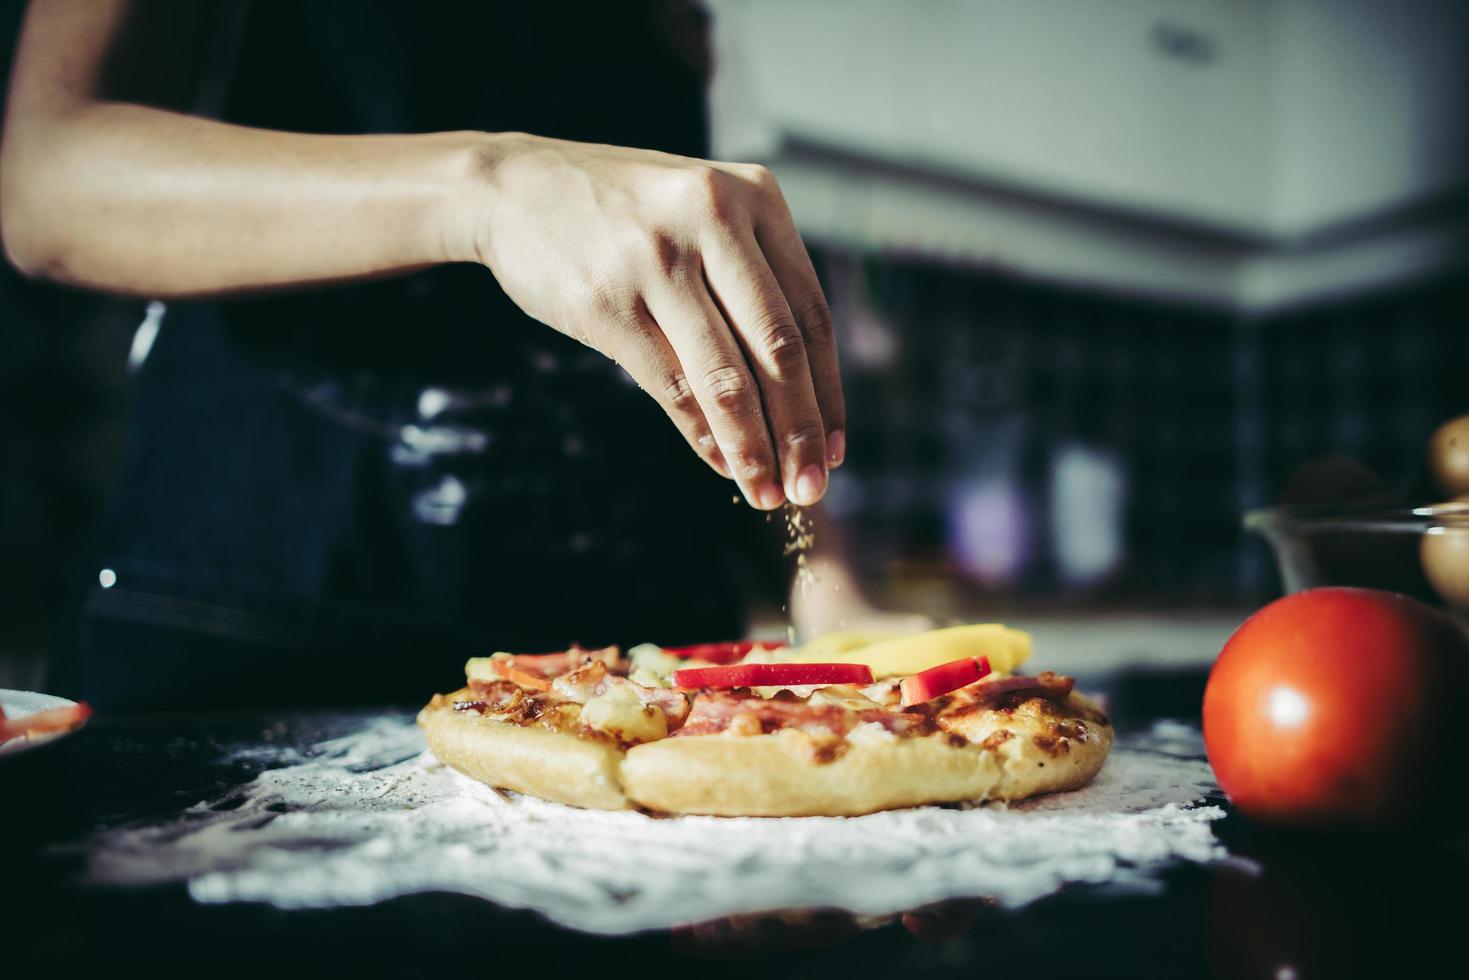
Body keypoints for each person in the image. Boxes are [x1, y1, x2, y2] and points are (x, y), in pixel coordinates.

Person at [0, 1, 881, 710]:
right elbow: (46, 182)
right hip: (256, 641)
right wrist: (481, 190)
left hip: (643, 676)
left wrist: (824, 583)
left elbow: (717, 343)